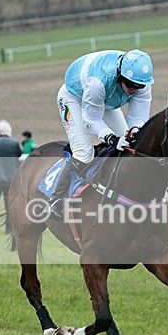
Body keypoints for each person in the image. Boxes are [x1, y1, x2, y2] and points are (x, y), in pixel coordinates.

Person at [49, 49, 154, 218]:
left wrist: (130, 137)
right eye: (131, 85)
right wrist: (111, 138)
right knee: (84, 152)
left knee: (130, 148)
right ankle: (55, 200)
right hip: (74, 97)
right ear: (120, 75)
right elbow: (91, 121)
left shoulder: (142, 84)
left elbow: (138, 121)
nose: (135, 89)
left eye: (139, 86)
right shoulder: (98, 83)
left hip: (104, 101)